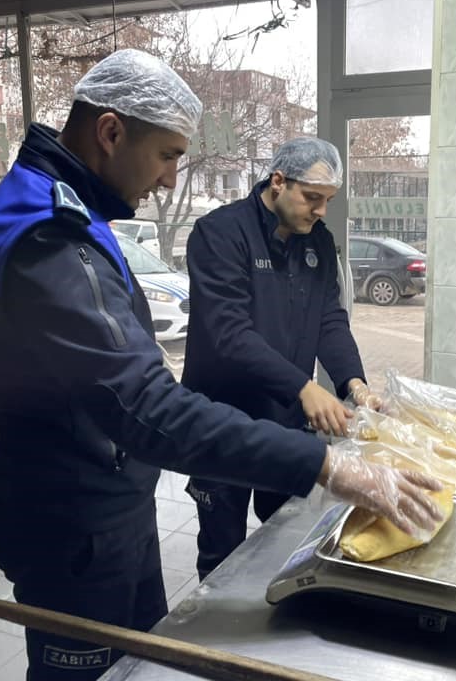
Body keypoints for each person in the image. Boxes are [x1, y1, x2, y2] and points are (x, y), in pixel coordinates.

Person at [0, 49, 443, 681]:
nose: (167, 180)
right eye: (166, 155)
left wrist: (349, 383)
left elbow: (324, 320)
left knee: (145, 660)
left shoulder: (69, 209)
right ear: (110, 132)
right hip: (71, 520)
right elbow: (147, 405)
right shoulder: (50, 237)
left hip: (111, 501)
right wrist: (327, 464)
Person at [182, 137, 383, 580]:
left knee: (290, 535)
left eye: (328, 201)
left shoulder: (318, 244)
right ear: (278, 182)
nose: (320, 211)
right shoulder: (220, 234)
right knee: (222, 553)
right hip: (222, 421)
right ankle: (212, 639)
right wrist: (303, 386)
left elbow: (330, 318)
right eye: (313, 198)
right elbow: (229, 334)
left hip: (286, 420)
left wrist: (354, 383)